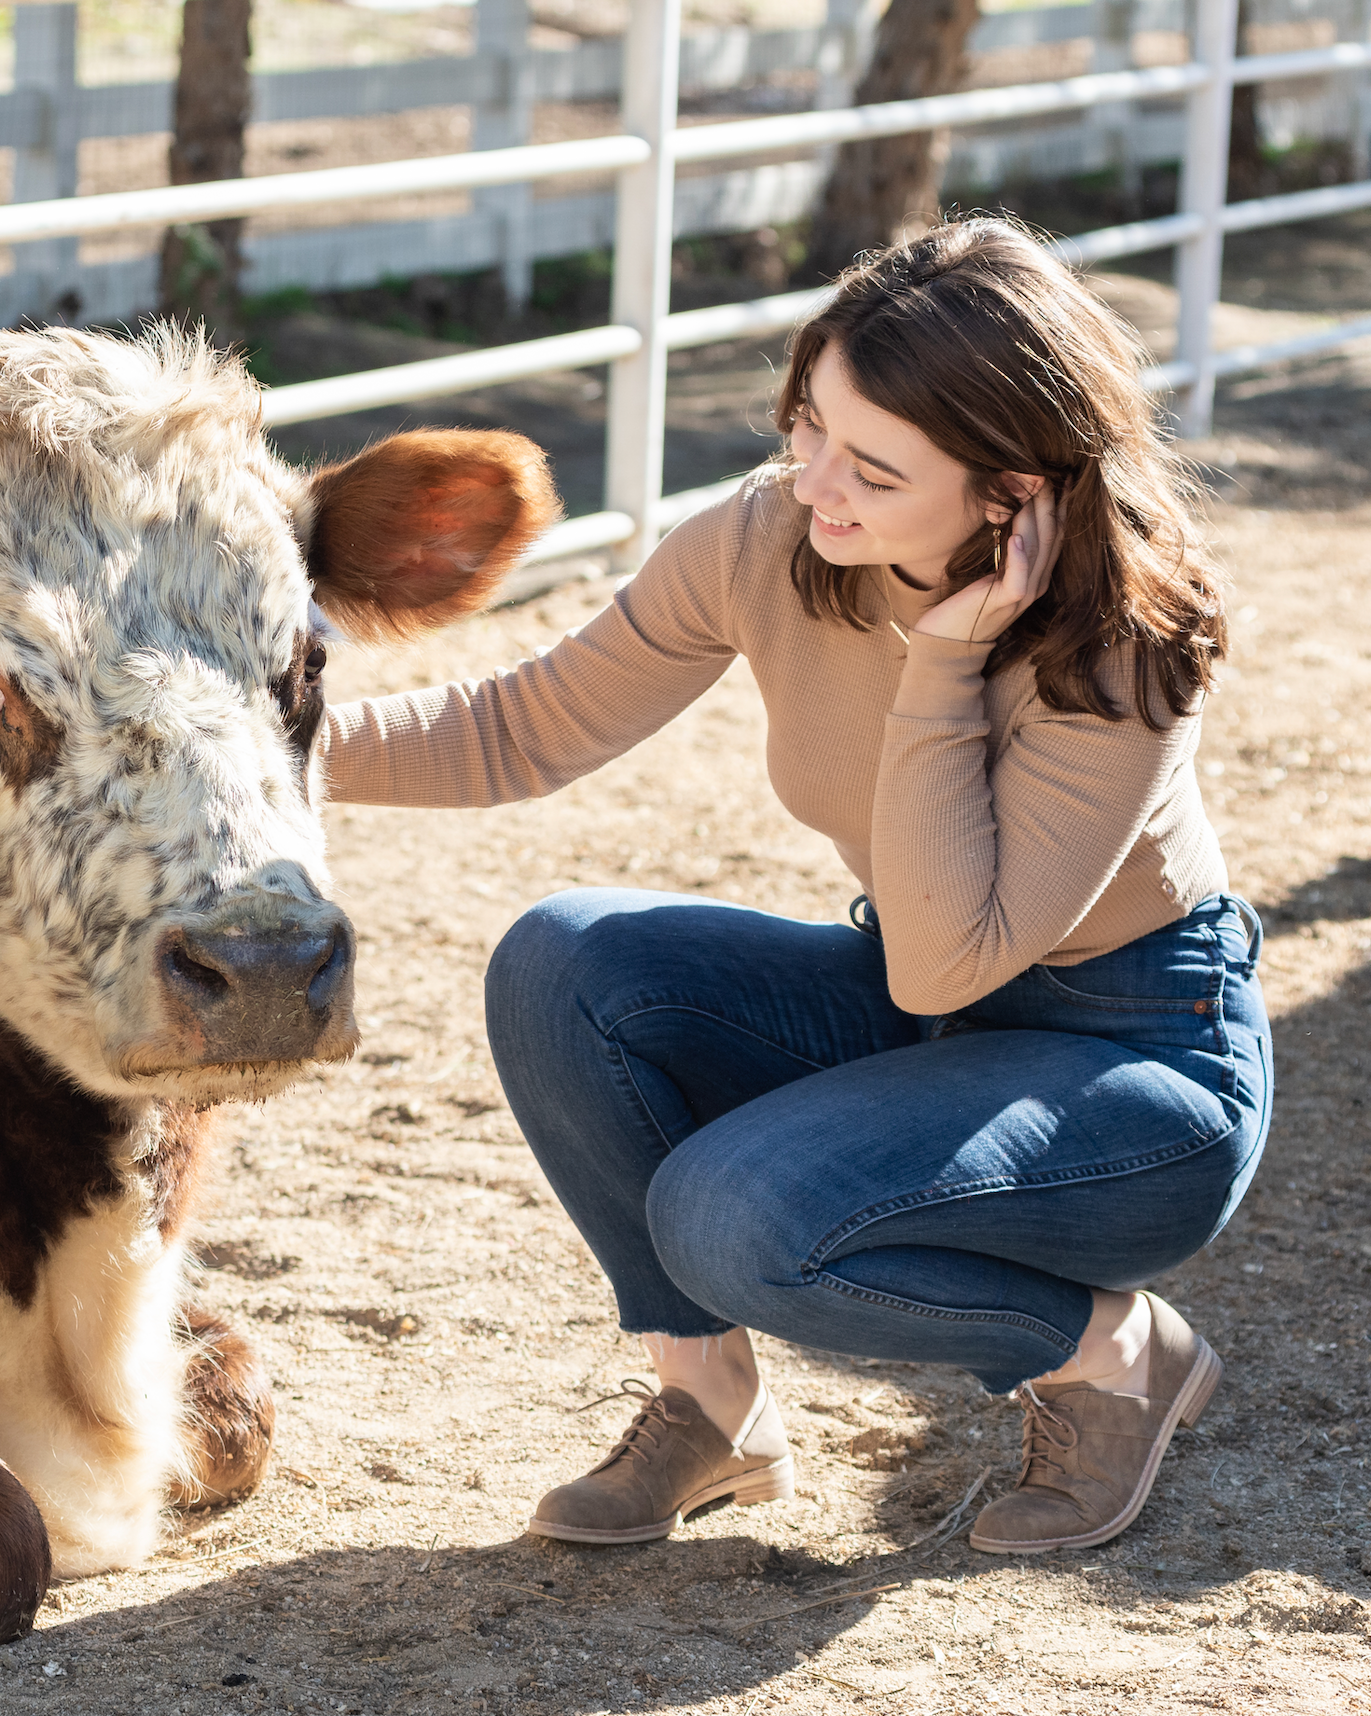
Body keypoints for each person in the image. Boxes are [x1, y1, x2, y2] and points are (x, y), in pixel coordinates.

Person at [318, 217, 1273, 1556]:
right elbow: (515, 728)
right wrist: (239, 742)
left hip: (1131, 1065)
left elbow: (955, 959)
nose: (812, 483)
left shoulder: (1121, 639)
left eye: (871, 467)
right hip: (926, 1010)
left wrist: (944, 664)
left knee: (735, 1214)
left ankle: (1116, 1354)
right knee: (564, 962)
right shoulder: (774, 533)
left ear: (1008, 493)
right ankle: (709, 1411)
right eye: (807, 422)